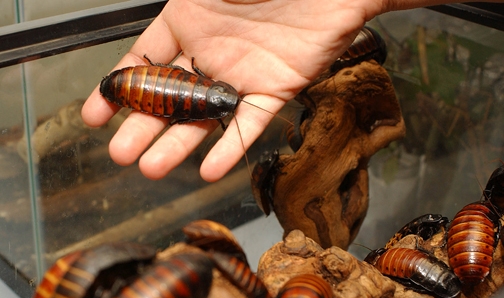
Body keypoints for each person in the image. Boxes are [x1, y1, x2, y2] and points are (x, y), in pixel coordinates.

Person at [81, 0, 492, 182]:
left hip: (158, 85)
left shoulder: (201, 87)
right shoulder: (208, 95)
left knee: (169, 99)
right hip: (143, 84)